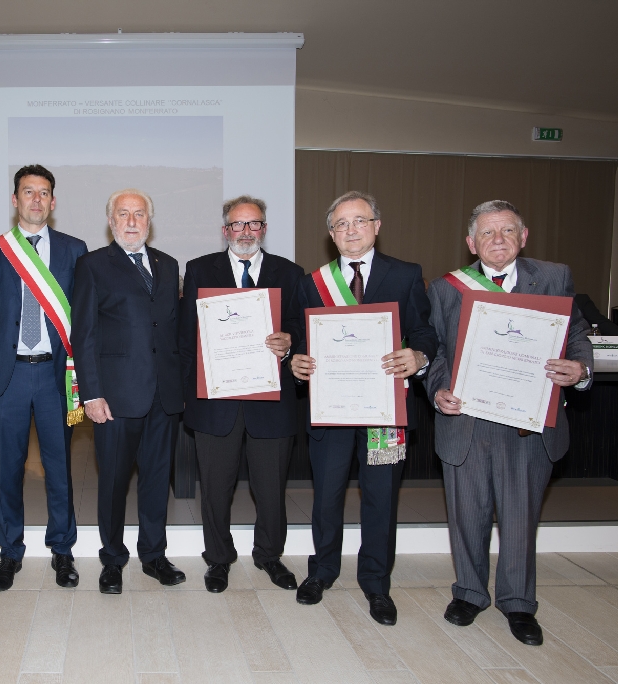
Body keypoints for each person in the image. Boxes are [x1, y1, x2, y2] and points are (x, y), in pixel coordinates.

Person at [427, 200, 593, 646]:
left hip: (528, 420)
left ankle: (519, 603)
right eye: (486, 233)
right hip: (468, 419)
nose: (496, 240)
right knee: (467, 514)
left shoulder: (554, 277)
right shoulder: (446, 289)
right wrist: (437, 390)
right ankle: (469, 594)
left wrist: (580, 369)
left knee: (520, 518)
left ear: (523, 236)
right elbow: (438, 352)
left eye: (506, 231)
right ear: (470, 242)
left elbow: (575, 333)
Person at [288, 190, 438, 625]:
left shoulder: (406, 274)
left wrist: (419, 357)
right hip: (331, 411)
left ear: (377, 226)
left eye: (359, 221)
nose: (350, 230)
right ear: (330, 234)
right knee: (326, 497)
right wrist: (297, 358)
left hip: (383, 413)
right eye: (340, 224)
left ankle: (376, 583)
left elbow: (423, 331)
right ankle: (322, 572)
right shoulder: (311, 282)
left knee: (380, 497)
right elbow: (300, 335)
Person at [178, 195, 304, 593]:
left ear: (264, 229)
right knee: (215, 488)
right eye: (237, 225)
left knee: (271, 488)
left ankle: (269, 555)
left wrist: (291, 340)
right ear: (225, 230)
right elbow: (186, 337)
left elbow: (301, 327)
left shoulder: (290, 272)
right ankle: (218, 559)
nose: (245, 232)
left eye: (253, 225)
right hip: (216, 401)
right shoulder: (199, 270)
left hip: (272, 402)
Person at [0, 165, 87, 591]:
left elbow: (82, 310)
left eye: (44, 193)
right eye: (28, 192)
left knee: (60, 468)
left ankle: (62, 549)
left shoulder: (75, 249)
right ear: (15, 199)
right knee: (9, 468)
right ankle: (10, 552)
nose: (36, 199)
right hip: (11, 376)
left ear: (53, 202)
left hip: (58, 376)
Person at [71, 188, 186, 593]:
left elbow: (171, 329)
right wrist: (91, 393)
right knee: (115, 482)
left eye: (139, 214)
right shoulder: (92, 266)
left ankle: (154, 556)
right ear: (111, 221)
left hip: (164, 397)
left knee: (157, 480)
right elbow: (82, 334)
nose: (132, 222)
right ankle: (113, 560)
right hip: (116, 398)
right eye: (124, 214)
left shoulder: (169, 265)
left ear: (149, 222)